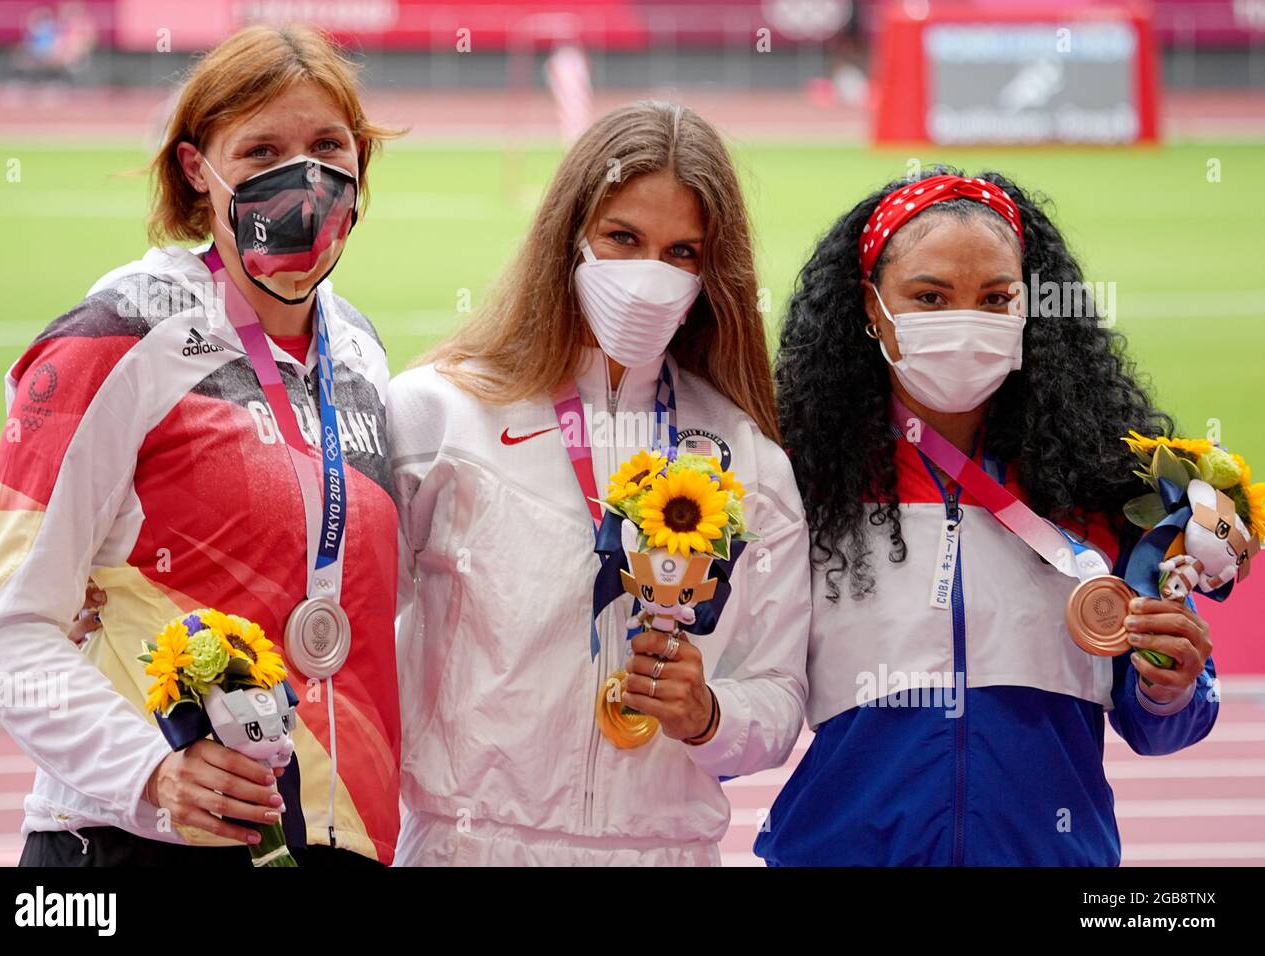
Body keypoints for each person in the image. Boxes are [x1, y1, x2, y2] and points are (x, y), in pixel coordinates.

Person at [0, 25, 403, 866]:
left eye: (326, 147)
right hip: (134, 844)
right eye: (262, 148)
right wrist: (153, 774)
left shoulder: (360, 353)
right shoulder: (118, 337)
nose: (302, 178)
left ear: (359, 167)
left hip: (329, 838)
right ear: (197, 169)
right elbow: (2, 630)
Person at [387, 101, 811, 865]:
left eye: (682, 251)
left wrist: (710, 715)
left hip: (664, 851)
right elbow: (353, 634)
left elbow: (780, 695)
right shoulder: (438, 414)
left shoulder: (748, 458)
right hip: (468, 845)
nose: (649, 274)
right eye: (623, 238)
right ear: (568, 238)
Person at [756, 169, 1219, 866]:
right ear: (872, 308)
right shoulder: (801, 481)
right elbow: (743, 718)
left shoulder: (1103, 485)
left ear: (1029, 308)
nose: (964, 321)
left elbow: (1160, 729)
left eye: (995, 298)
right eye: (930, 297)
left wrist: (1170, 682)